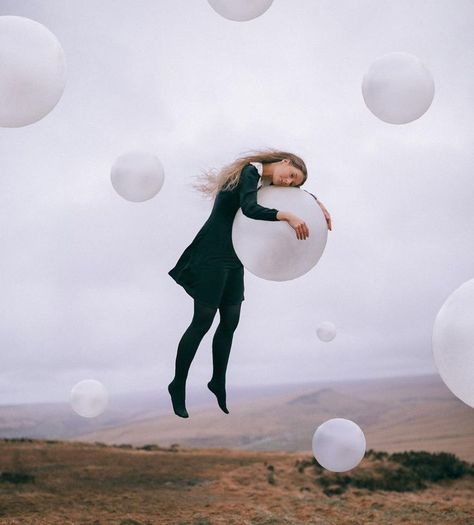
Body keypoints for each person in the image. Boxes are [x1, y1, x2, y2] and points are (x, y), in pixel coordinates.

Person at [168, 149, 332, 418]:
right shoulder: (250, 172)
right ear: (284, 161)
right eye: (290, 175)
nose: (288, 182)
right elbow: (249, 208)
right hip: (212, 251)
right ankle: (178, 385)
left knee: (230, 321)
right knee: (203, 321)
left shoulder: (266, 182)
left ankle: (217, 381)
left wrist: (318, 203)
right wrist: (287, 216)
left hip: (236, 254)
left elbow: (300, 196)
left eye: (294, 182)